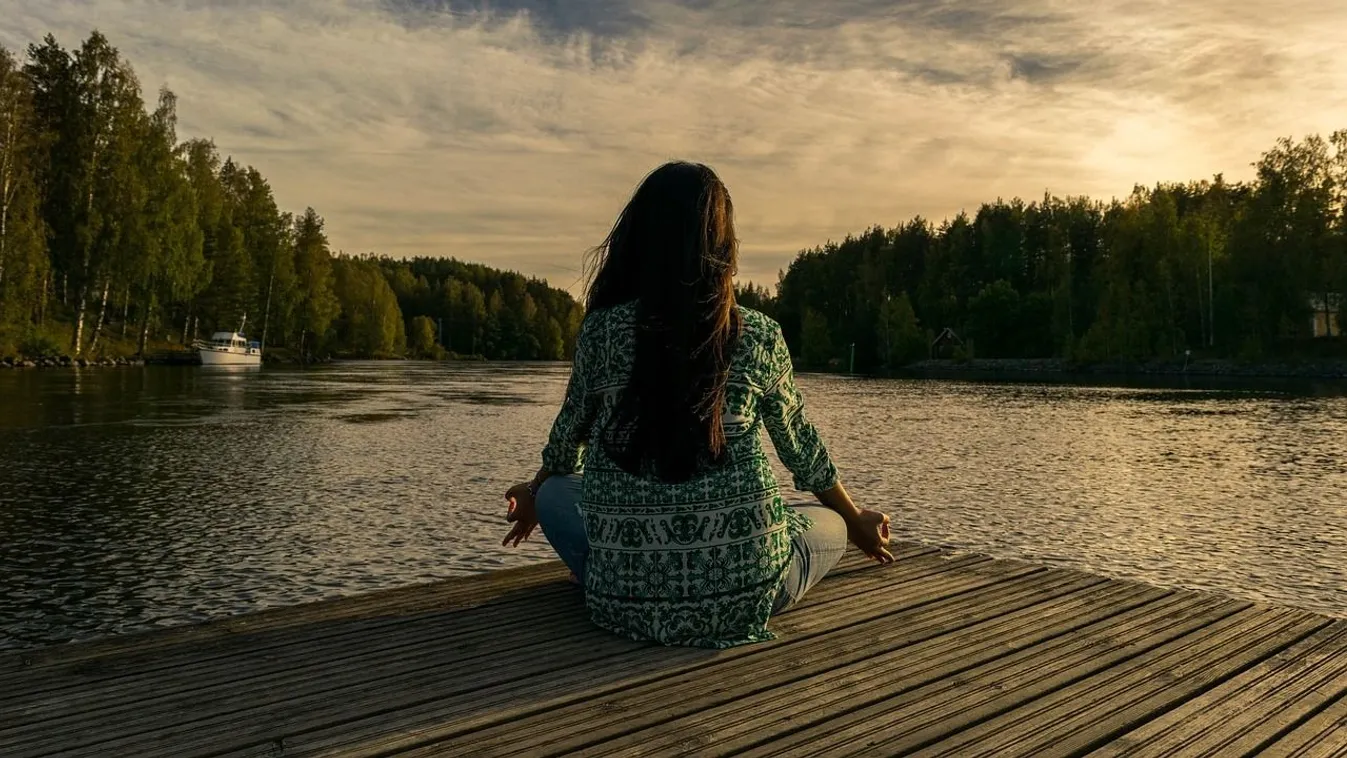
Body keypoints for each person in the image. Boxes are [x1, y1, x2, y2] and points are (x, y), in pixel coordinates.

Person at [502, 161, 893, 649]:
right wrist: (856, 520)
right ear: (723, 246)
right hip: (746, 594)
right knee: (828, 521)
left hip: (622, 602)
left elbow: (565, 445)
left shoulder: (601, 332)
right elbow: (802, 452)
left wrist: (536, 492)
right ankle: (741, 566)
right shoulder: (759, 335)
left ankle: (615, 574)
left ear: (638, 239)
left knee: (559, 491)